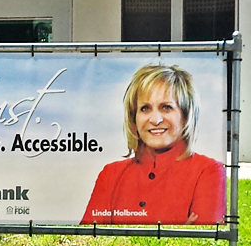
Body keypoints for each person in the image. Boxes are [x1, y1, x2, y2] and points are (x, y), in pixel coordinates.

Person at [81, 64, 225, 225]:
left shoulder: (208, 172)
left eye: (166, 107)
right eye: (145, 108)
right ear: (134, 118)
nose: (155, 120)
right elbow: (89, 245)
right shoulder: (111, 175)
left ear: (185, 115)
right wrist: (177, 234)